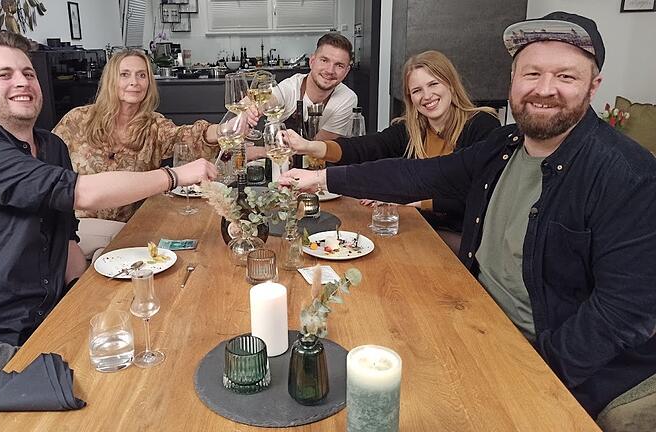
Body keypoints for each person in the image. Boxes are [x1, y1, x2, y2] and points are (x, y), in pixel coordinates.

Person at [281, 12, 656, 421]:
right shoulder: (505, 143)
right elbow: (417, 173)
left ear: (593, 85)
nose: (544, 90)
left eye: (565, 77)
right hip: (477, 314)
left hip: (548, 358)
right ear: (512, 81)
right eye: (531, 74)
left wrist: (530, 370)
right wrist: (319, 178)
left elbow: (622, 314)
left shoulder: (629, 175)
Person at [0, 31, 215, 432]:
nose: (22, 81)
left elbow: (67, 238)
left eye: (28, 73)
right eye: (4, 75)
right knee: (117, 388)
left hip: (35, 336)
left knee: (149, 347)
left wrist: (91, 298)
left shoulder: (51, 148)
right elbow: (79, 194)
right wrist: (173, 175)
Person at [283, 50, 500, 248]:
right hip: (416, 226)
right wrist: (309, 146)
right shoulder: (410, 129)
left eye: (433, 84)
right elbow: (364, 148)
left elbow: (475, 197)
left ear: (451, 84)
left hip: (459, 238)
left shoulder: (482, 125)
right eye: (417, 90)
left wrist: (409, 198)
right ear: (410, 98)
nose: (426, 96)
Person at [53, 48, 241, 223]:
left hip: (127, 229)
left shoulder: (154, 125)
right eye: (125, 75)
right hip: (78, 226)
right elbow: (44, 165)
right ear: (111, 80)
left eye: (141, 75)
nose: (134, 82)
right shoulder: (77, 120)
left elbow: (186, 136)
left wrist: (227, 128)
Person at [275, 32, 357, 140]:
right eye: (324, 60)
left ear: (346, 71)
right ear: (312, 61)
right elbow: (267, 99)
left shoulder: (347, 98)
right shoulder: (291, 87)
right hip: (280, 155)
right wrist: (249, 110)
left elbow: (319, 147)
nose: (330, 71)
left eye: (339, 65)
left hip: (318, 156)